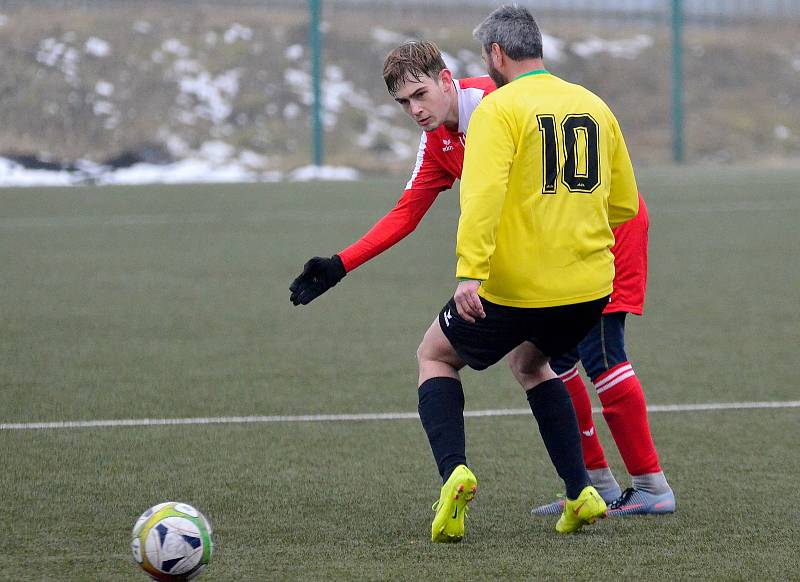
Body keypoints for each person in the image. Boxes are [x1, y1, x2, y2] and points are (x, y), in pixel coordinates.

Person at [416, 3, 640, 541]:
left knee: (435, 356)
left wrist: (470, 272)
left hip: (517, 290)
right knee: (532, 363)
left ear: (496, 54)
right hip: (588, 289)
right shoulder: (593, 104)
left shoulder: (499, 108)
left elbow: (482, 195)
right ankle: (580, 490)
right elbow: (624, 204)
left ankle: (455, 473)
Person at [530, 194, 677, 517]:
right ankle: (592, 482)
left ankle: (652, 486)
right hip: (573, 228)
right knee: (555, 358)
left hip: (606, 223)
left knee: (602, 352)